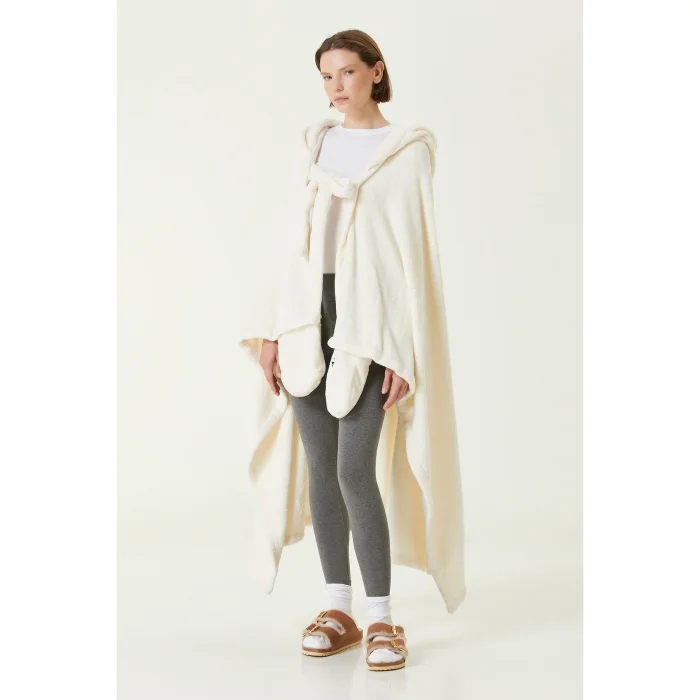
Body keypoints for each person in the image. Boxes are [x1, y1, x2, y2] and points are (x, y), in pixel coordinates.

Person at [239, 28, 465, 673]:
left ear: (376, 71)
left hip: (371, 322)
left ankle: (383, 618)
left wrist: (405, 350)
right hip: (307, 316)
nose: (335, 87)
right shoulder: (314, 144)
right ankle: (338, 607)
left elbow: (411, 258)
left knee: (353, 470)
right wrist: (272, 331)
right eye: (325, 76)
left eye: (346, 72)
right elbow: (290, 243)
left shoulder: (408, 151)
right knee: (320, 468)